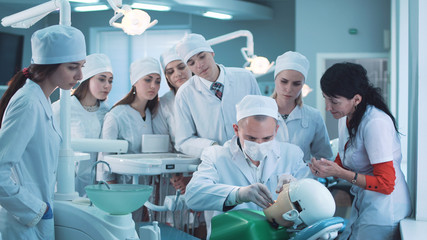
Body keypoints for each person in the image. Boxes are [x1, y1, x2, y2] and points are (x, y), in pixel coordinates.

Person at [0, 25, 86, 239]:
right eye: (72, 67)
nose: (80, 75)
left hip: (35, 217)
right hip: (22, 221)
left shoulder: (42, 99)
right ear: (49, 66)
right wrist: (37, 209)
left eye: (82, 66)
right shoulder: (28, 102)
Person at [309, 62, 412, 240]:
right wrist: (327, 168)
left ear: (356, 99)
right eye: (326, 98)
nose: (327, 107)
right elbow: (345, 159)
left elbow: (386, 184)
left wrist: (339, 172)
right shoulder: (345, 117)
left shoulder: (375, 123)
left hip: (385, 211)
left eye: (334, 101)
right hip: (364, 203)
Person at [185, 95, 308, 237]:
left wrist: (297, 190)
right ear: (236, 129)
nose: (259, 144)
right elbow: (192, 195)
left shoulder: (292, 155)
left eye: (267, 138)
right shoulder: (216, 156)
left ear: (276, 130)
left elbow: (314, 206)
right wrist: (238, 194)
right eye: (251, 138)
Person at [174, 33, 261, 157]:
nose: (199, 65)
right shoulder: (185, 94)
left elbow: (262, 118)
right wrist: (212, 147)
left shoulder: (245, 78)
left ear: (212, 52)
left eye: (202, 56)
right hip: (214, 162)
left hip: (250, 156)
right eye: (191, 63)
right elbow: (183, 141)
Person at [52, 53, 113, 196]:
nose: (107, 85)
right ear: (87, 79)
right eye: (102, 79)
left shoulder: (108, 113)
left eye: (110, 81)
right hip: (64, 184)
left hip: (96, 186)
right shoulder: (62, 108)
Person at [99, 57, 161, 182]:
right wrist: (114, 196)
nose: (153, 86)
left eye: (157, 81)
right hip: (123, 189)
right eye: (148, 80)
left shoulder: (153, 113)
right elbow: (104, 162)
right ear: (135, 82)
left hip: (148, 189)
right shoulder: (116, 116)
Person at [272, 51, 332, 177]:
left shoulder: (313, 116)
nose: (288, 89)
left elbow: (324, 157)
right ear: (275, 78)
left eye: (296, 84)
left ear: (303, 84)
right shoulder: (260, 113)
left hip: (302, 184)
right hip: (267, 183)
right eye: (284, 81)